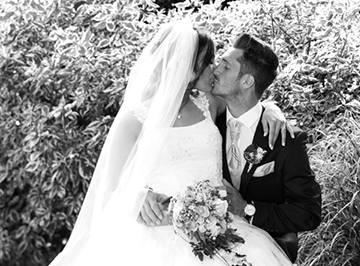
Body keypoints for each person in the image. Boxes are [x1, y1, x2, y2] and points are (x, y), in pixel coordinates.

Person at [49, 20, 293, 266]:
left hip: (221, 224)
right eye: (207, 63)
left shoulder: (208, 103)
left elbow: (247, 103)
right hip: (158, 233)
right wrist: (138, 196)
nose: (215, 69)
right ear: (187, 68)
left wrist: (271, 109)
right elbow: (111, 185)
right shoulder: (135, 120)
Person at [213, 34, 322, 263]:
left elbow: (309, 213)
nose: (216, 69)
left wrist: (248, 209)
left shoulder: (287, 141)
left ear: (246, 81)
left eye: (226, 66)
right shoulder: (207, 126)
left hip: (259, 253)